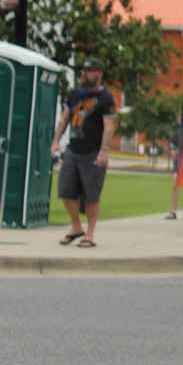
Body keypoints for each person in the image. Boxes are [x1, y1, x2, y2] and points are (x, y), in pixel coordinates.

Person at [51, 58, 117, 249]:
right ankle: (76, 227)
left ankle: (89, 234)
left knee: (91, 196)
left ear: (99, 74)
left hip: (93, 153)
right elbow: (64, 120)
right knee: (65, 191)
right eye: (85, 70)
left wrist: (104, 152)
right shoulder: (74, 95)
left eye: (90, 71)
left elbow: (109, 127)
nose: (86, 74)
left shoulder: (105, 98)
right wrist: (55, 141)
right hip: (73, 150)